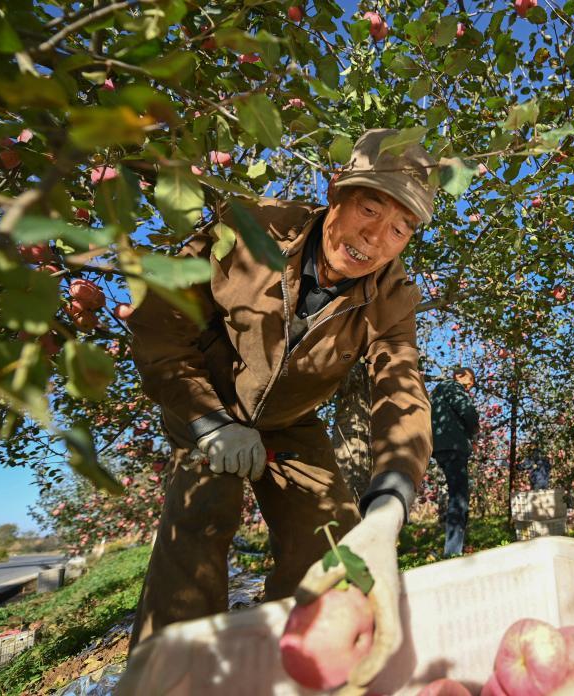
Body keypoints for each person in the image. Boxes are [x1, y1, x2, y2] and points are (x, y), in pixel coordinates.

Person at [124, 129, 435, 691]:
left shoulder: (392, 295)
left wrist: (391, 501)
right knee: (201, 518)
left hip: (292, 421)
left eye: (399, 229)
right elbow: (159, 320)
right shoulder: (254, 228)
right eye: (369, 209)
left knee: (336, 541)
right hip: (212, 397)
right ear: (336, 190)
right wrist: (208, 421)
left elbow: (402, 390)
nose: (377, 238)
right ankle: (166, 679)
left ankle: (308, 672)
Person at [430, 367, 479, 557]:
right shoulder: (452, 386)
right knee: (459, 499)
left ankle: (452, 548)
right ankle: (452, 552)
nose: (470, 385)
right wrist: (475, 429)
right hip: (454, 446)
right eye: (470, 380)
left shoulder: (436, 393)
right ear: (459, 375)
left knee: (455, 495)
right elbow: (468, 413)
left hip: (441, 447)